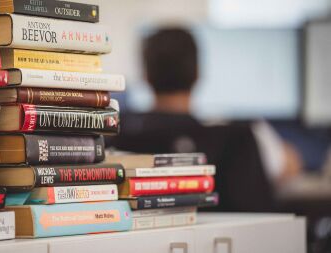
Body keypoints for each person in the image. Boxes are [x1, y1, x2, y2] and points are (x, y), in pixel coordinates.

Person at [108, 27, 302, 212]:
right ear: (197, 74)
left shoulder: (116, 134)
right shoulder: (237, 138)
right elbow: (289, 166)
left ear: (146, 76)